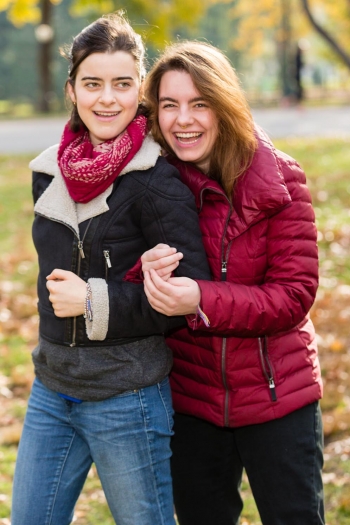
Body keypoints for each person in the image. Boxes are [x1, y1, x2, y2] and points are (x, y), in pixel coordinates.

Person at [11, 17, 210, 525]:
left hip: (128, 397)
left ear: (139, 89)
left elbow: (193, 292)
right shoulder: (48, 172)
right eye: (92, 83)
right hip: (53, 387)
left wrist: (96, 301)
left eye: (122, 84)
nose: (107, 99)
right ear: (71, 89)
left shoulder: (156, 183)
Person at [139, 41, 325, 525]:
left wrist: (201, 298)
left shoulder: (279, 180)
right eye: (170, 104)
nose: (184, 119)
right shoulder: (151, 184)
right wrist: (145, 273)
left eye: (199, 103)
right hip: (192, 398)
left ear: (224, 105)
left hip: (276, 394)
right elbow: (120, 268)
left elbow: (293, 295)